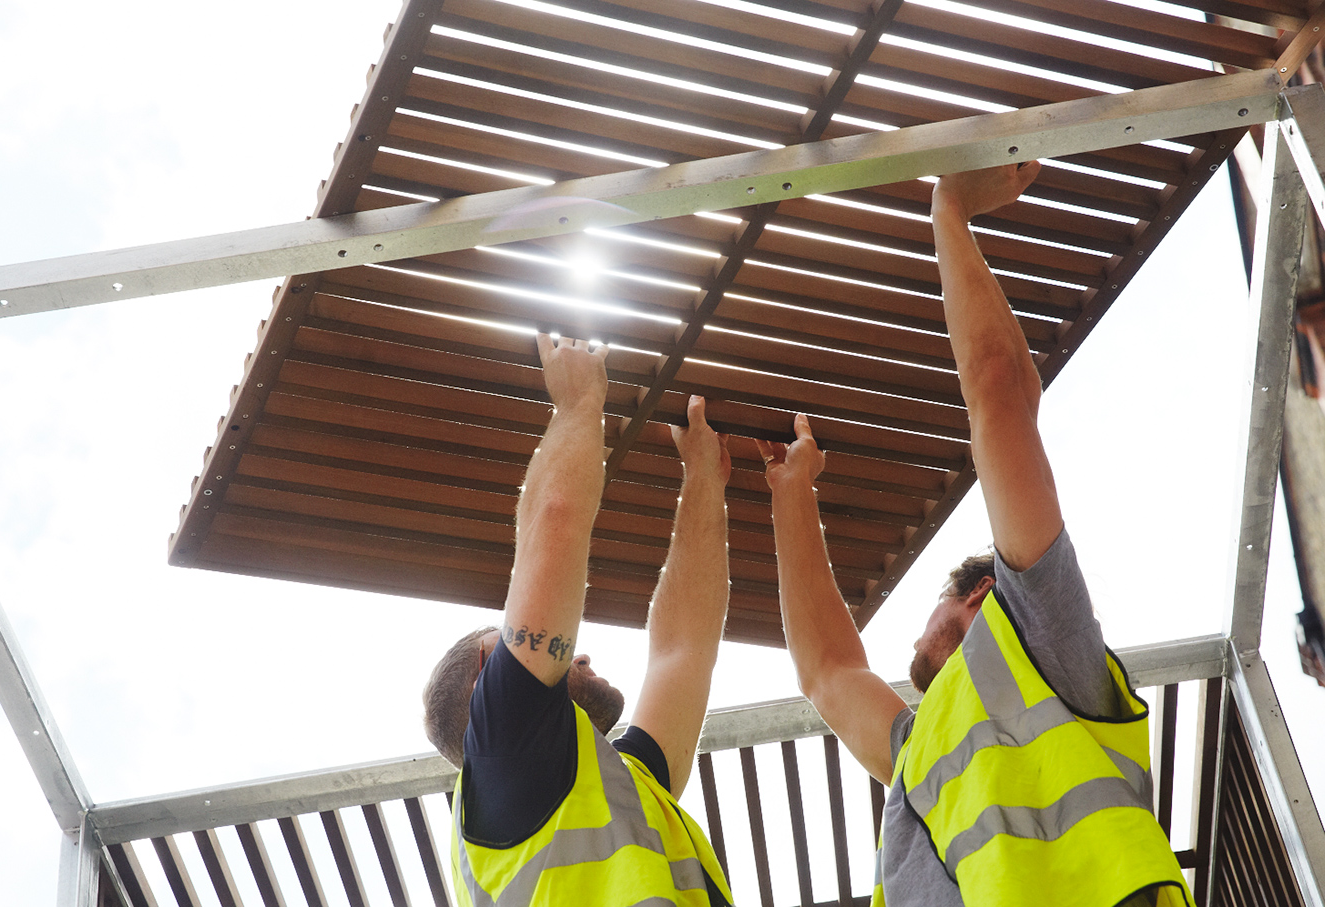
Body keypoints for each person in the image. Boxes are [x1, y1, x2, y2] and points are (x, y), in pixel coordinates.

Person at [758, 164, 1193, 907]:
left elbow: (1000, 389)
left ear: (985, 592)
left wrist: (949, 209)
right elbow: (826, 670)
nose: (919, 631)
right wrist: (790, 495)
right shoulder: (920, 748)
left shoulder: (1042, 633)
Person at [423, 332, 737, 907]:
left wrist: (705, 481)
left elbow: (684, 650)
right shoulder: (504, 755)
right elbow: (556, 522)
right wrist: (577, 403)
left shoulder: (618, 788)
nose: (578, 651)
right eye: (509, 648)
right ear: (487, 684)